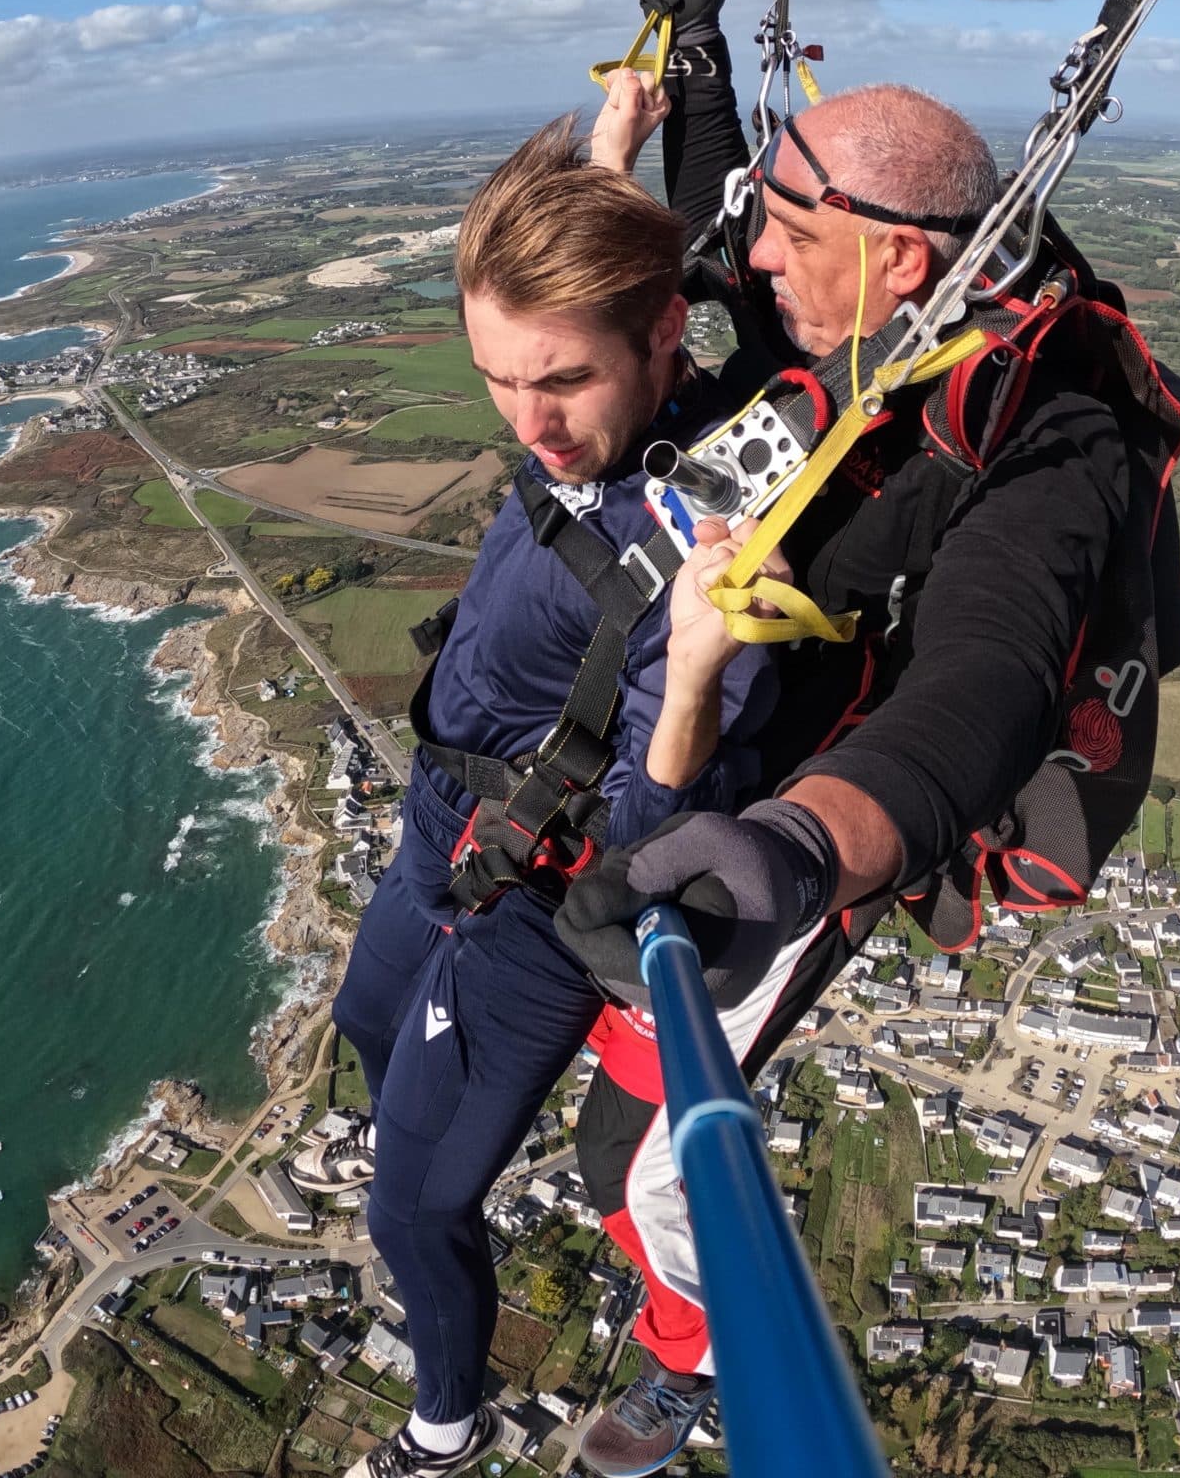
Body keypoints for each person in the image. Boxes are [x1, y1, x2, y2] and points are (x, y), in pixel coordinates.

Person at [550, 0, 1180, 1475]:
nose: (754, 258)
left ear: (901, 257)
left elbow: (984, 687)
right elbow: (728, 220)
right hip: (714, 723)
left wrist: (796, 852)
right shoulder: (857, 298)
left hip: (804, 798)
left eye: (795, 231)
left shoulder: (1049, 443)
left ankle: (699, 1364)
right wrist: (701, 58)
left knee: (644, 1158)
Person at [308, 115, 788, 1478]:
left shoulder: (713, 542)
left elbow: (645, 842)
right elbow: (578, 306)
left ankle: (442, 1431)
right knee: (358, 1014)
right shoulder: (593, 403)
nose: (531, 423)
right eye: (499, 380)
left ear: (661, 346)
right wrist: (612, 143)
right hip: (438, 838)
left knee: (414, 1215)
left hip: (524, 909)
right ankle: (418, 1110)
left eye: (563, 381)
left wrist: (698, 664)